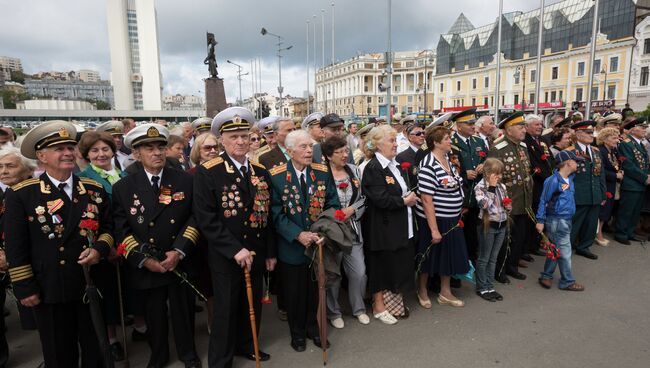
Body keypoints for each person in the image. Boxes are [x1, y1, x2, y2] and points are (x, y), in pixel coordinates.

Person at [4, 120, 114, 367]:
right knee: (59, 353)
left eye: (70, 147)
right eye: (58, 149)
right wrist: (24, 287)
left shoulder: (93, 189)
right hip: (50, 287)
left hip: (89, 283)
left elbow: (108, 229)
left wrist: (99, 249)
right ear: (41, 156)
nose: (67, 153)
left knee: (95, 349)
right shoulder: (23, 193)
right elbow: (15, 245)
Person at [112, 123, 201, 368]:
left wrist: (179, 250)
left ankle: (188, 354)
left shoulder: (184, 180)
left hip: (179, 258)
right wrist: (144, 260)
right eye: (148, 148)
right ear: (136, 154)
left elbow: (195, 217)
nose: (157, 152)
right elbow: (122, 230)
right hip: (148, 262)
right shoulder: (123, 187)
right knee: (155, 316)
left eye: (161, 146)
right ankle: (158, 355)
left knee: (183, 312)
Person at [194, 107, 276, 367]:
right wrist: (233, 249)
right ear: (222, 140)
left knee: (252, 304)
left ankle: (247, 344)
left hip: (256, 250)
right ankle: (220, 359)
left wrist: (270, 252)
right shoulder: (209, 171)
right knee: (226, 309)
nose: (240, 141)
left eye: (244, 135)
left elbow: (268, 216)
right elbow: (206, 218)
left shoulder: (260, 172)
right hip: (226, 254)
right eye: (234, 137)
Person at [268, 129, 339, 351]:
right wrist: (298, 234)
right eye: (303, 147)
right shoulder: (277, 176)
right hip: (292, 247)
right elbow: (275, 213)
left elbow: (332, 205)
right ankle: (297, 334)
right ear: (289, 151)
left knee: (315, 292)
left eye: (310, 146)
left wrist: (324, 232)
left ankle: (314, 330)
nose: (309, 151)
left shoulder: (321, 172)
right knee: (294, 294)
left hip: (318, 244)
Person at [77, 130, 129, 361]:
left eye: (105, 149)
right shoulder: (85, 179)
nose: (101, 154)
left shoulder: (123, 173)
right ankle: (112, 339)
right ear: (87, 155)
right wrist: (106, 247)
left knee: (130, 291)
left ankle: (139, 327)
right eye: (94, 150)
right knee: (107, 294)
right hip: (105, 246)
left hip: (128, 242)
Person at [361, 125, 417, 324]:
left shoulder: (394, 164)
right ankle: (379, 306)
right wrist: (405, 201)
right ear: (377, 145)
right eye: (391, 141)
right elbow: (380, 199)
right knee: (382, 266)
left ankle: (394, 303)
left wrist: (408, 197)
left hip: (399, 224)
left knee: (397, 265)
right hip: (383, 227)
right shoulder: (374, 168)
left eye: (396, 140)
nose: (396, 145)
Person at [416, 125, 469, 309]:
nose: (450, 141)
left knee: (448, 255)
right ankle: (422, 290)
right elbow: (426, 199)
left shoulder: (447, 159)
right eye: (447, 138)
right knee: (428, 256)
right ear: (436, 142)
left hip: (451, 219)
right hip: (434, 220)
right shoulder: (428, 165)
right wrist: (434, 229)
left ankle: (445, 292)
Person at [321, 136, 369, 328]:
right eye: (338, 152)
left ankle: (359, 309)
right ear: (328, 156)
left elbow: (364, 198)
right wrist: (334, 216)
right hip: (332, 231)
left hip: (353, 229)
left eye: (345, 151)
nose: (344, 155)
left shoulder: (354, 170)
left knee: (359, 272)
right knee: (333, 273)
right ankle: (334, 313)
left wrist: (352, 210)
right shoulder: (321, 174)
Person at [0, 146, 37, 366]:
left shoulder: (35, 194)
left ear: (27, 169)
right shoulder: (7, 194)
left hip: (29, 268)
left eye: (10, 166)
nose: (3, 171)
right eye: (1, 167)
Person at [488, 112, 533, 283]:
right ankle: (500, 270)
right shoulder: (498, 149)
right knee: (504, 239)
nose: (524, 130)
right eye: (520, 127)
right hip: (507, 202)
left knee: (519, 237)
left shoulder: (522, 147)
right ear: (508, 129)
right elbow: (492, 177)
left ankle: (512, 266)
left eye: (523, 127)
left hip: (523, 200)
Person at [536, 150, 585, 291]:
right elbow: (543, 200)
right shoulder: (553, 181)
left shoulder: (570, 178)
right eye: (575, 161)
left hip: (566, 219)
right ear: (569, 163)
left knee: (555, 248)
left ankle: (546, 275)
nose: (578, 164)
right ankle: (567, 281)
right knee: (565, 251)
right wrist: (540, 220)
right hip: (557, 220)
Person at [450, 108, 487, 263]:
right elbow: (448, 169)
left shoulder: (478, 141)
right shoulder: (452, 143)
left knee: (473, 233)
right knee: (459, 234)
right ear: (459, 126)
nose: (473, 126)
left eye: (473, 123)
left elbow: (488, 159)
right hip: (461, 196)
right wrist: (465, 174)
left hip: (477, 196)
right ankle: (458, 264)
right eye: (469, 123)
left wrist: (484, 165)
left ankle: (471, 261)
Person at [566, 120, 606, 260]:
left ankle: (584, 247)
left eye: (592, 132)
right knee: (574, 224)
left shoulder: (595, 151)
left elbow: (601, 173)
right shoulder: (570, 152)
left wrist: (603, 193)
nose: (592, 135)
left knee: (590, 223)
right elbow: (564, 176)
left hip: (594, 194)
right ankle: (566, 249)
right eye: (588, 133)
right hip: (578, 194)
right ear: (578, 134)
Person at [473, 158, 510, 302]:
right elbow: (484, 205)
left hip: (501, 224)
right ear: (488, 173)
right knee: (484, 258)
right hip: (488, 225)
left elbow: (504, 203)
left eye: (500, 174)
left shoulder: (501, 186)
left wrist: (508, 206)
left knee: (493, 258)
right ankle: (482, 287)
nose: (499, 177)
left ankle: (490, 285)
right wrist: (492, 188)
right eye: (496, 173)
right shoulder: (480, 187)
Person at [524, 114, 556, 260]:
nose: (540, 127)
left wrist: (555, 177)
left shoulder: (542, 140)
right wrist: (549, 179)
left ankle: (535, 245)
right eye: (536, 124)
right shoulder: (525, 141)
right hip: (537, 185)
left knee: (540, 215)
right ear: (527, 126)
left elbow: (550, 160)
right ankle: (527, 248)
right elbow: (533, 164)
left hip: (546, 184)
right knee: (532, 218)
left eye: (541, 124)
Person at [615, 118, 650, 245]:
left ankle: (629, 232)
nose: (644, 130)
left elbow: (645, 163)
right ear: (634, 129)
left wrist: (648, 175)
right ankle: (621, 233)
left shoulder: (640, 144)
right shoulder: (626, 143)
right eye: (642, 127)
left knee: (635, 211)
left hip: (640, 184)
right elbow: (628, 165)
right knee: (627, 210)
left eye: (645, 128)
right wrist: (644, 177)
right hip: (631, 183)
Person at [596, 128, 623, 246]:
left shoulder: (612, 151)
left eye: (617, 137)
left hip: (611, 185)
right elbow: (600, 170)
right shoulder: (601, 151)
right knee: (602, 211)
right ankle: (598, 234)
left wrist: (620, 171)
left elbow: (615, 165)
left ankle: (598, 232)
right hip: (605, 185)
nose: (616, 140)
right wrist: (615, 175)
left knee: (606, 210)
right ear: (605, 139)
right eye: (613, 138)